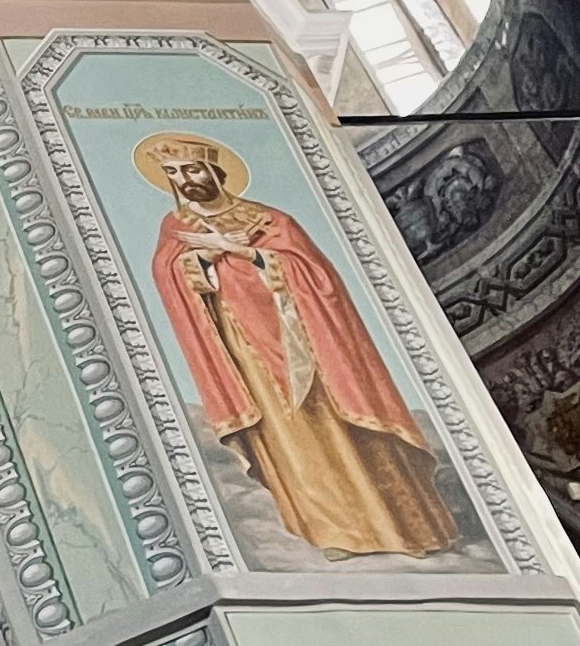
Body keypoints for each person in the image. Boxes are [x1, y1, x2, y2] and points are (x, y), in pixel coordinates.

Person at [136, 137, 455, 560]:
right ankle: (334, 532)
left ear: (215, 171)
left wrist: (246, 252)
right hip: (244, 347)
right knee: (293, 440)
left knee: (340, 426)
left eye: (191, 169)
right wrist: (203, 261)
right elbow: (169, 274)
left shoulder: (271, 219)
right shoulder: (177, 228)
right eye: (174, 173)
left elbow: (318, 276)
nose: (184, 180)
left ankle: (396, 528)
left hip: (305, 340)